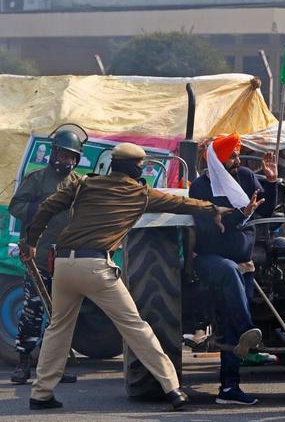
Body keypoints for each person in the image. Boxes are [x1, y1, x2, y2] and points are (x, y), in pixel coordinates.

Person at [21, 142, 228, 411]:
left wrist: (32, 240)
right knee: (135, 327)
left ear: (112, 164)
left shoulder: (83, 184)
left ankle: (41, 393)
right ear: (136, 168)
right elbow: (180, 203)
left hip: (63, 264)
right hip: (96, 267)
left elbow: (48, 206)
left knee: (57, 329)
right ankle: (173, 388)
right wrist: (213, 209)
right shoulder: (139, 193)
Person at [189, 133, 278, 406]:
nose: (238, 160)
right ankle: (247, 331)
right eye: (232, 156)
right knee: (229, 272)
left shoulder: (247, 177)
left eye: (238, 154)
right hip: (211, 260)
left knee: (230, 324)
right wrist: (241, 214)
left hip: (244, 263)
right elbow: (210, 230)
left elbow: (265, 213)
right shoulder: (201, 188)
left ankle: (229, 389)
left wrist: (272, 182)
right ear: (217, 159)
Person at [9, 127, 85, 385]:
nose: (68, 161)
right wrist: (42, 207)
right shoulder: (37, 179)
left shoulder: (78, 183)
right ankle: (23, 364)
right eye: (64, 155)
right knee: (32, 311)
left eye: (73, 157)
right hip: (37, 257)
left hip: (65, 258)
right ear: (53, 153)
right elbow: (15, 206)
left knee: (60, 315)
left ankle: (55, 367)